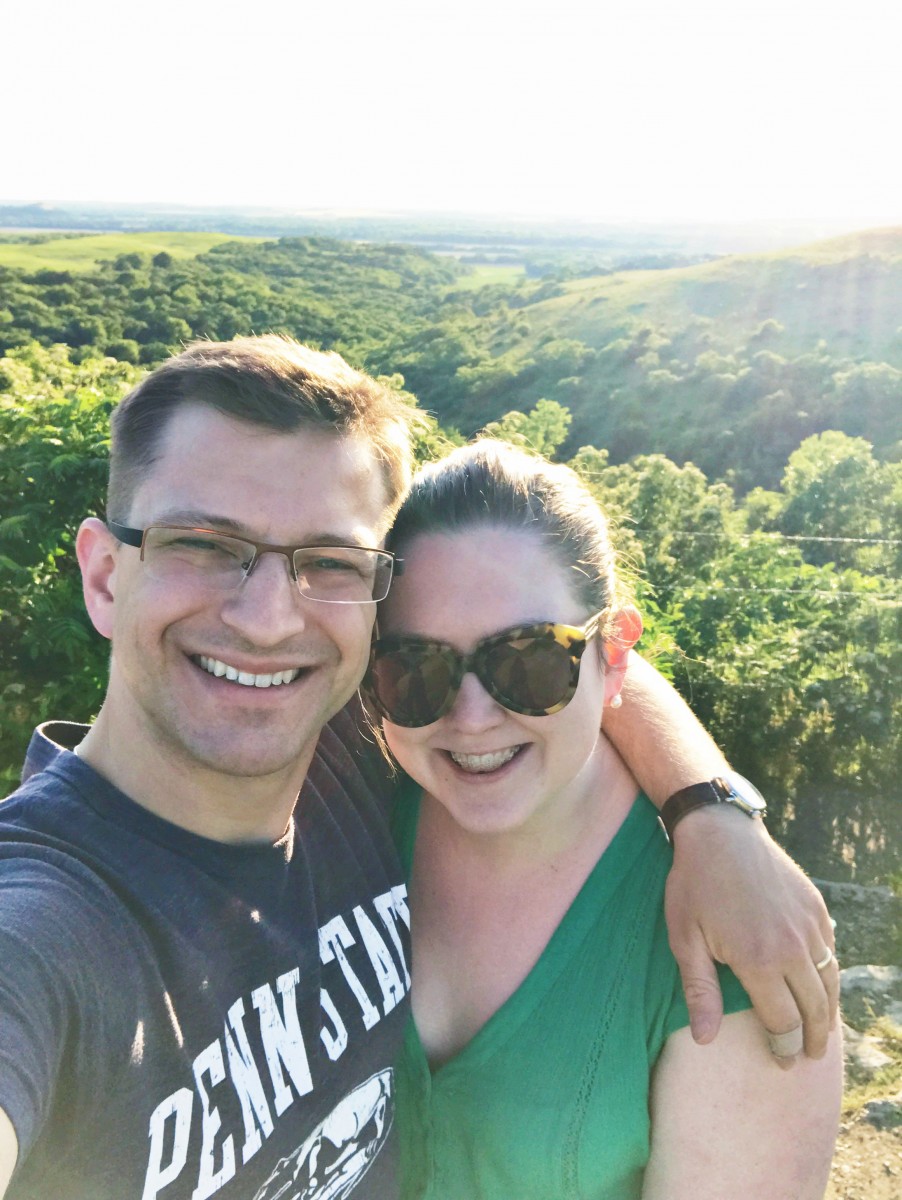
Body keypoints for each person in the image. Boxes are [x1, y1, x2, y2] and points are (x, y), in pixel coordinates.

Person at [0, 337, 837, 1200]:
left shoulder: (341, 761)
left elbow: (575, 641)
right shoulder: (48, 923)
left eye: (326, 563)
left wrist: (711, 812)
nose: (265, 620)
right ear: (104, 576)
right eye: (203, 544)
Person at [365, 440, 844, 1199]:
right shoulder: (340, 814)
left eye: (528, 662)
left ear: (614, 657)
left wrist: (711, 813)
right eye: (417, 669)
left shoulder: (731, 938)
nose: (472, 716)